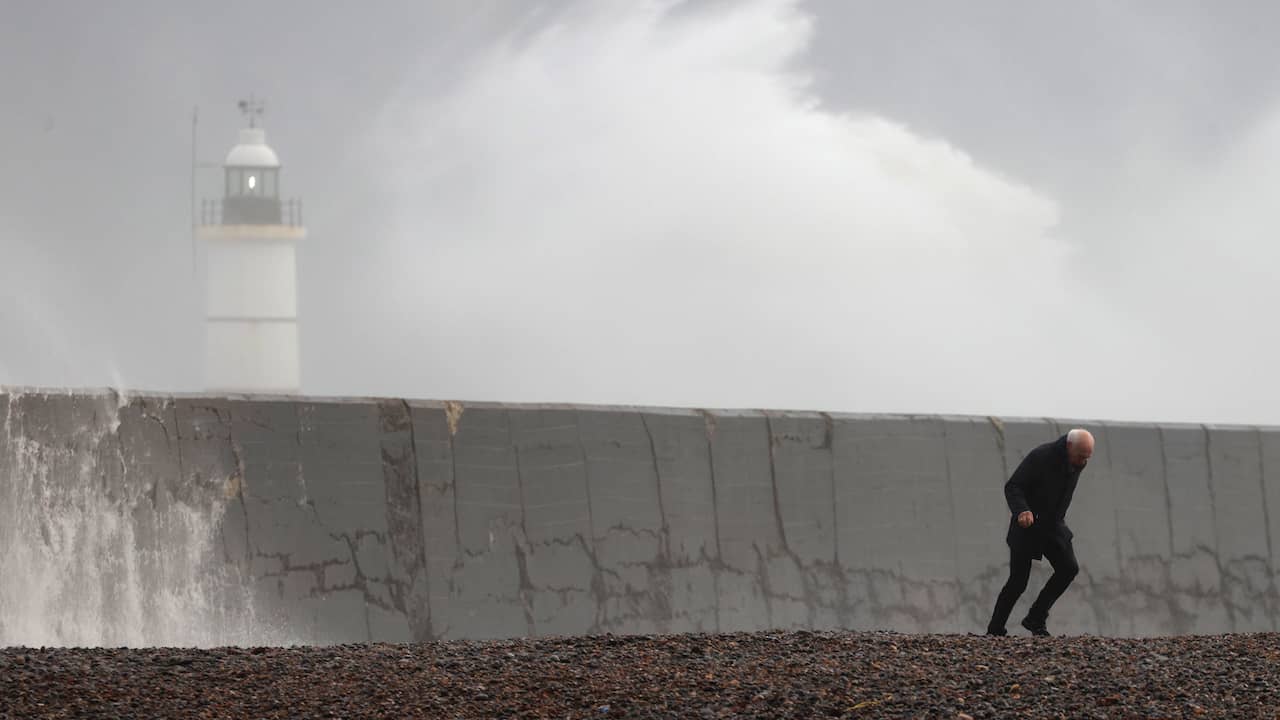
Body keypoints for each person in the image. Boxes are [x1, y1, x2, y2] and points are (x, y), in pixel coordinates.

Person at [986, 428, 1094, 637]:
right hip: (1027, 525)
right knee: (1018, 582)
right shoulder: (1041, 456)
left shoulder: (1076, 461)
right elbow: (1013, 486)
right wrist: (1022, 510)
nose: (1083, 462)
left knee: (1068, 569)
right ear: (1069, 446)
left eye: (1087, 458)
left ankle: (1035, 618)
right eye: (1081, 456)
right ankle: (995, 629)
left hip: (1053, 527)